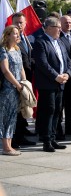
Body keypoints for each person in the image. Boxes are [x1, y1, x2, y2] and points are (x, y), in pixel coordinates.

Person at [33, 17, 71, 152]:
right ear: (49, 28)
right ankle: (46, 140)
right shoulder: (40, 42)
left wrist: (67, 73)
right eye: (57, 27)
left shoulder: (60, 42)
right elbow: (43, 64)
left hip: (61, 83)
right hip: (47, 84)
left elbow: (68, 61)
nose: (60, 29)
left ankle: (53, 138)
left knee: (57, 111)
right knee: (48, 111)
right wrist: (56, 76)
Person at [10, 13, 36, 148]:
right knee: (16, 112)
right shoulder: (11, 42)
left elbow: (28, 58)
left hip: (26, 79)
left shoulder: (26, 38)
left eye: (21, 22)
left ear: (25, 24)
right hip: (16, 81)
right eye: (16, 22)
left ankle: (21, 136)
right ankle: (15, 140)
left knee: (23, 110)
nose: (19, 25)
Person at [0, 26, 26, 156]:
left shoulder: (17, 50)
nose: (17, 35)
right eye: (15, 33)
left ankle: (9, 145)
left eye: (18, 33)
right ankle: (5, 147)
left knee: (12, 117)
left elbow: (21, 68)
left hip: (18, 88)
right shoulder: (3, 51)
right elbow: (5, 71)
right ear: (8, 35)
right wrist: (17, 84)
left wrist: (24, 83)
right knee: (5, 117)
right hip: (7, 89)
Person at [58, 15, 71, 138]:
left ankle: (70, 128)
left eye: (70, 22)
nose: (68, 24)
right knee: (60, 105)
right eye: (65, 22)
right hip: (63, 76)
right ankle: (58, 130)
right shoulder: (57, 37)